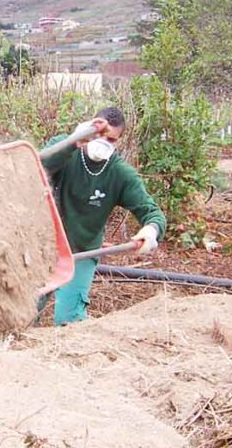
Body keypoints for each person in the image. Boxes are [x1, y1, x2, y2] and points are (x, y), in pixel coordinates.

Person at [40, 106, 166, 325]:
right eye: (101, 136)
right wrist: (74, 141)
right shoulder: (65, 148)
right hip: (44, 247)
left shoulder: (119, 174)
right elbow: (38, 166)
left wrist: (150, 230)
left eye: (112, 140)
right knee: (24, 312)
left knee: (69, 321)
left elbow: (152, 212)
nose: (105, 143)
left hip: (81, 251)